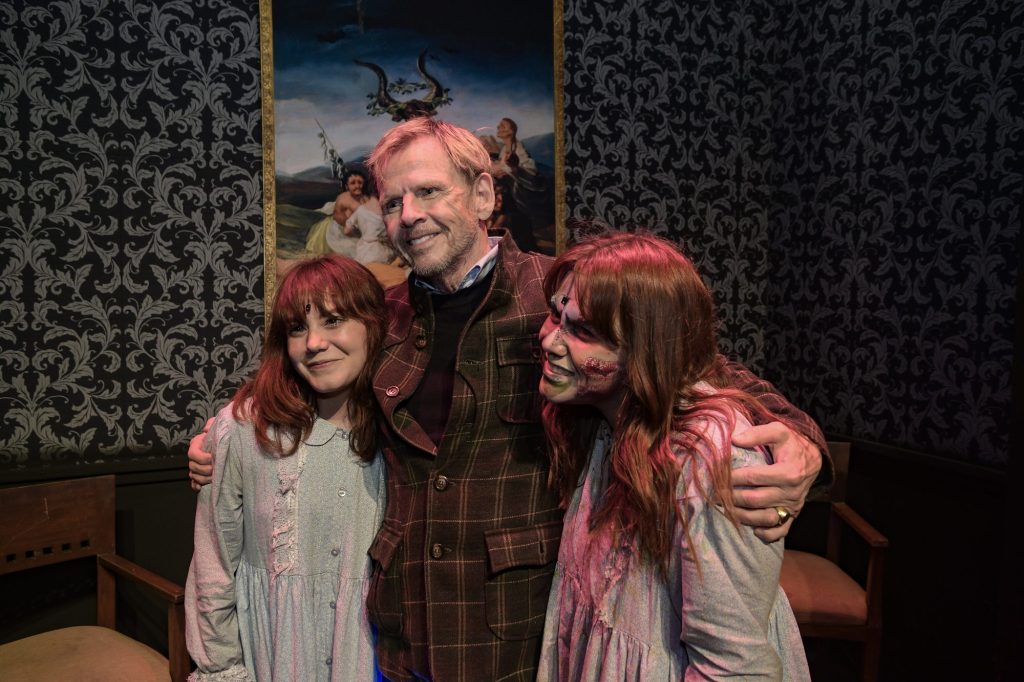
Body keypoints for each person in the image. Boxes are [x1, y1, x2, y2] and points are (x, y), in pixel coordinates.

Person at [190, 119, 828, 682]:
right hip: (400, 631)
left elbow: (695, 374)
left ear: (485, 196)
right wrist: (213, 441)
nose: (408, 214)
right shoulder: (381, 319)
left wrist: (802, 441)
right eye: (392, 203)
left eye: (429, 191)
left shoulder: (558, 299)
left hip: (521, 637)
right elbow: (287, 373)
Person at [535, 232, 810, 680]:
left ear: (647, 349)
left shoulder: (713, 456)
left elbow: (733, 668)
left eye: (583, 331)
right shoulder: (602, 418)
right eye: (555, 315)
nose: (550, 340)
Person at [185, 255, 386, 682]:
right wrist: (222, 669)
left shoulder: (401, 432)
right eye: (298, 328)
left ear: (373, 324)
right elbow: (213, 564)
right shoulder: (244, 429)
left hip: (368, 659)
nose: (313, 343)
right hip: (270, 658)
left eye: (333, 320)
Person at [306, 171, 371, 256]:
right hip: (339, 230)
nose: (357, 186)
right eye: (353, 183)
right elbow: (339, 216)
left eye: (360, 183)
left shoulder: (366, 199)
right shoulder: (343, 198)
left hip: (358, 230)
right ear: (347, 186)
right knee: (350, 250)